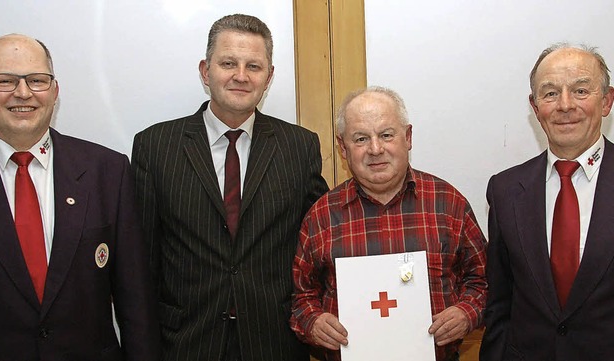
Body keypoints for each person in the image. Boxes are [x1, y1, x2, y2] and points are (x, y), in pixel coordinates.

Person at [131, 14, 329, 361]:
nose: (241, 75)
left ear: (268, 77)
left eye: (253, 65)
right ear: (205, 71)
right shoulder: (155, 146)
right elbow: (142, 261)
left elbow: (319, 249)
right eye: (228, 63)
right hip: (185, 343)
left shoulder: (300, 148)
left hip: (274, 342)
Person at [0, 34, 159, 360]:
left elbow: (136, 302)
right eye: (4, 80)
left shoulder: (108, 171)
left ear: (55, 91)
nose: (23, 92)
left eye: (37, 80)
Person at [290, 86, 487, 361]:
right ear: (343, 148)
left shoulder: (449, 204)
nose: (375, 149)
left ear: (407, 137)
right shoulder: (321, 216)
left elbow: (483, 281)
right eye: (360, 139)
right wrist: (313, 322)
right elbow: (300, 296)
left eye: (386, 135)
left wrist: (467, 312)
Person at [480, 44, 614, 360]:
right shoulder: (505, 190)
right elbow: (499, 303)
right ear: (535, 106)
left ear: (607, 100)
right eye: (550, 93)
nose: (564, 105)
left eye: (581, 90)